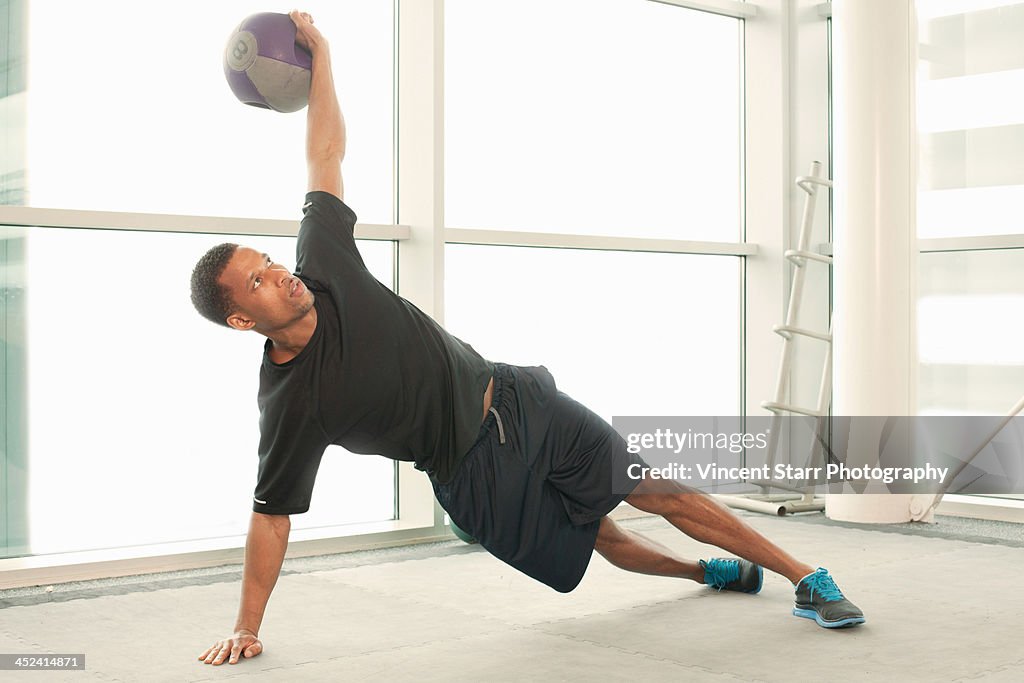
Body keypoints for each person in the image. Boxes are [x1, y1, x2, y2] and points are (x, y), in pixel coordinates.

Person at [193, 10, 864, 667]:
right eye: (258, 281)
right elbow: (270, 518)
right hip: (473, 476)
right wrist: (245, 626)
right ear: (243, 321)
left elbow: (326, 151)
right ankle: (702, 572)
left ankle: (806, 576)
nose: (279, 273)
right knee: (600, 537)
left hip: (515, 400)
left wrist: (324, 57)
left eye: (269, 261)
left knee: (654, 487)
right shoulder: (292, 402)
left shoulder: (325, 261)